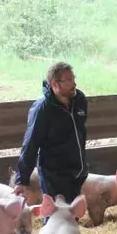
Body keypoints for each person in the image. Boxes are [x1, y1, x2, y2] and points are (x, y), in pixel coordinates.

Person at [13, 62, 88, 207]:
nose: (74, 84)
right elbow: (31, 144)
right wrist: (22, 180)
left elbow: (81, 133)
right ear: (54, 84)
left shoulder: (80, 100)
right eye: (69, 81)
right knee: (56, 215)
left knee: (72, 215)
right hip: (54, 174)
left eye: (73, 78)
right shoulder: (43, 109)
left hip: (77, 171)